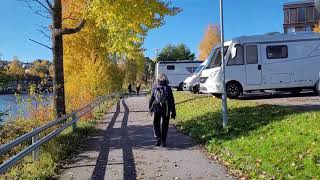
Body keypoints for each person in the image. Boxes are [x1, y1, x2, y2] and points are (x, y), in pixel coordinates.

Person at [149, 74, 176, 147]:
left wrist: (150, 109)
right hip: (166, 108)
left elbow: (151, 99)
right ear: (166, 79)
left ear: (158, 79)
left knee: (156, 123)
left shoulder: (155, 87)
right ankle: (163, 141)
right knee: (165, 124)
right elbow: (172, 101)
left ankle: (158, 138)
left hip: (157, 108)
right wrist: (173, 112)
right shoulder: (168, 88)